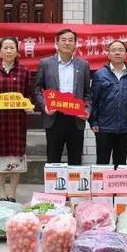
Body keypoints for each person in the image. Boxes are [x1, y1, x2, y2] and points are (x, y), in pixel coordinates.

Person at [0, 37, 31, 202]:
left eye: (12, 48)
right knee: (0, 157)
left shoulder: (24, 71)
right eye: (5, 48)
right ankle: (2, 194)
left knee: (16, 158)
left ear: (17, 51)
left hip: (17, 122)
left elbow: (28, 95)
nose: (9, 51)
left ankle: (13, 194)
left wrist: (28, 105)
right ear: (0, 51)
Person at [34, 29, 92, 165]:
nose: (67, 43)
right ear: (57, 43)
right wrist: (45, 105)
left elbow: (88, 93)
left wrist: (87, 110)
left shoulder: (83, 65)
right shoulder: (46, 63)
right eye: (63, 40)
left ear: (75, 44)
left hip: (76, 118)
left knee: (75, 161)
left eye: (70, 40)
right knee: (53, 160)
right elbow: (37, 89)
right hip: (54, 117)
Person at [89, 40, 127, 166]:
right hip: (104, 127)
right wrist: (93, 121)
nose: (117, 53)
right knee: (102, 162)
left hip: (125, 127)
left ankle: (118, 180)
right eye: (114, 50)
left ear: (126, 53)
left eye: (121, 50)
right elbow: (94, 99)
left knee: (120, 163)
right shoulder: (100, 75)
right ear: (108, 54)